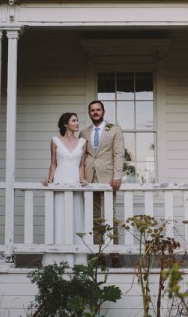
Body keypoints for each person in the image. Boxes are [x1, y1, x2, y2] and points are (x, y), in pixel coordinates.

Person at [79, 101, 124, 266]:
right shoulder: (84, 132)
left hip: (108, 179)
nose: (95, 112)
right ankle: (99, 254)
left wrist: (117, 176)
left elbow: (119, 154)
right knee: (95, 217)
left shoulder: (114, 130)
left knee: (110, 216)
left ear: (103, 111)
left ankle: (115, 253)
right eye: (92, 110)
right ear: (89, 113)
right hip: (89, 178)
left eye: (98, 110)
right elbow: (80, 157)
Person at [42, 112, 89, 266]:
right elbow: (53, 163)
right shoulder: (55, 141)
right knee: (59, 214)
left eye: (77, 120)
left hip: (74, 180)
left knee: (74, 214)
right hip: (60, 179)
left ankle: (76, 258)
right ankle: (57, 257)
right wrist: (49, 179)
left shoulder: (83, 141)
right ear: (65, 124)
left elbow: (81, 165)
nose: (77, 123)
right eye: (74, 121)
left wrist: (82, 179)